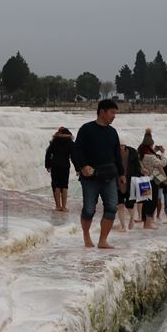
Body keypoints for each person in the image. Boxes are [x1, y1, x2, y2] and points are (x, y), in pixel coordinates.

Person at [71, 99, 125, 249]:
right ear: (102, 112)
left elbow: (117, 154)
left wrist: (122, 174)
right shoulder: (86, 129)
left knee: (112, 208)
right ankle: (86, 235)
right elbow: (77, 150)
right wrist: (82, 167)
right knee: (89, 210)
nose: (114, 116)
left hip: (109, 176)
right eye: (112, 112)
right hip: (90, 177)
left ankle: (103, 240)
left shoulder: (113, 132)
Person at [44, 127, 74, 212]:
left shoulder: (54, 142)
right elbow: (74, 156)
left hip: (55, 165)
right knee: (64, 185)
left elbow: (48, 154)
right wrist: (77, 168)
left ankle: (58, 206)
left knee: (56, 185)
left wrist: (47, 165)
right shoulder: (70, 143)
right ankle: (64, 207)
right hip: (65, 166)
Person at [137, 141, 166, 230]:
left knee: (145, 202)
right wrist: (163, 153)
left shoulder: (140, 155)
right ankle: (148, 224)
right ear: (150, 146)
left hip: (143, 180)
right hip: (152, 181)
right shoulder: (151, 156)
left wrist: (154, 150)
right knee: (152, 202)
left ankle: (145, 223)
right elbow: (162, 163)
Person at [116, 143, 143, 231]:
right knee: (120, 205)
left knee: (130, 205)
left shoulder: (132, 152)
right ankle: (123, 226)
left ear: (125, 145)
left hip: (130, 182)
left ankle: (131, 220)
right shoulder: (113, 152)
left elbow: (137, 166)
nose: (121, 147)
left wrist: (139, 175)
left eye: (122, 145)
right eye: (119, 145)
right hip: (117, 182)